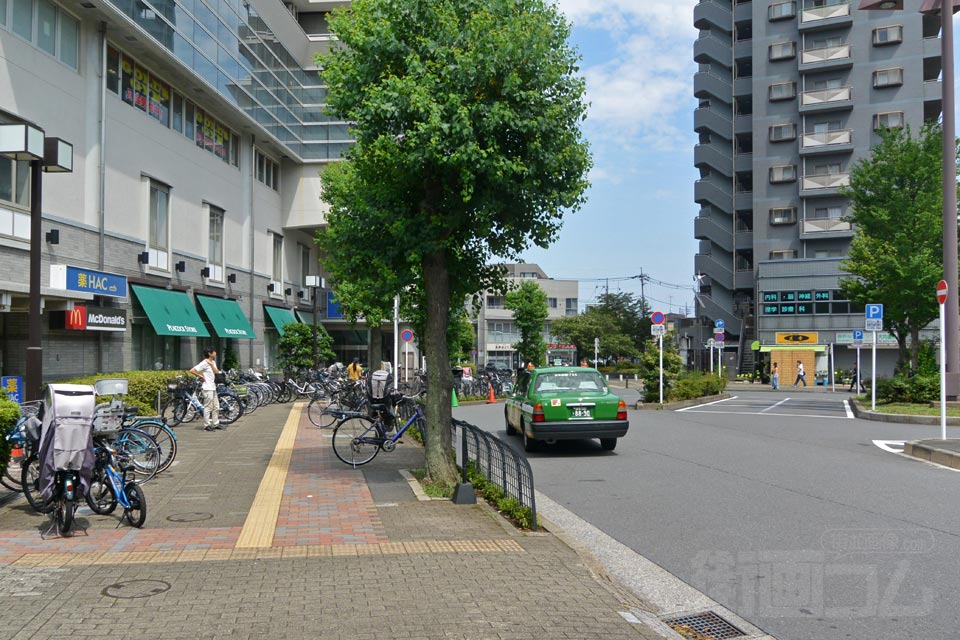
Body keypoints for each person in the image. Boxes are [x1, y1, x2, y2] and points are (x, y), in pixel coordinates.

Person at [190, 347, 221, 431]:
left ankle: (215, 423)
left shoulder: (212, 362)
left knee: (216, 406)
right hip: (207, 388)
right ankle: (206, 425)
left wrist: (211, 364)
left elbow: (217, 372)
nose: (215, 353)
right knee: (208, 407)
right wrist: (200, 376)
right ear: (210, 353)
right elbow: (192, 370)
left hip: (213, 387)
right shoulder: (204, 363)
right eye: (214, 352)